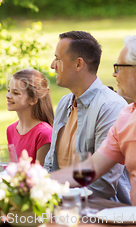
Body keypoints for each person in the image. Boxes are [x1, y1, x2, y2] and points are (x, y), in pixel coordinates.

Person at [52, 35, 136, 213]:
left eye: (119, 67)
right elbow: (90, 168)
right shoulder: (126, 117)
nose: (114, 74)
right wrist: (31, 184)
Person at [44, 31, 130, 201]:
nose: (52, 65)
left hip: (101, 212)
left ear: (78, 64)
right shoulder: (64, 103)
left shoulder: (111, 106)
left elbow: (103, 185)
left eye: (58, 59)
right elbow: (50, 167)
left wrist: (49, 192)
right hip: (60, 202)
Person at [5, 69, 53, 165]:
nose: (7, 95)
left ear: (33, 99)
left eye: (15, 93)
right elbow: (13, 169)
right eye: (8, 90)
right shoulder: (10, 130)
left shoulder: (44, 133)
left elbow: (41, 175)